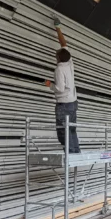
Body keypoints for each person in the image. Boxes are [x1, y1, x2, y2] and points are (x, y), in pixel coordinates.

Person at [45, 15, 80, 154]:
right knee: (71, 129)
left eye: (56, 55)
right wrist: (58, 28)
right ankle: (76, 152)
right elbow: (63, 43)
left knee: (63, 131)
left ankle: (71, 154)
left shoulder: (59, 69)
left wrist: (49, 84)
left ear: (59, 58)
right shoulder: (69, 61)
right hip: (73, 102)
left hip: (64, 104)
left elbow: (59, 88)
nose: (56, 55)